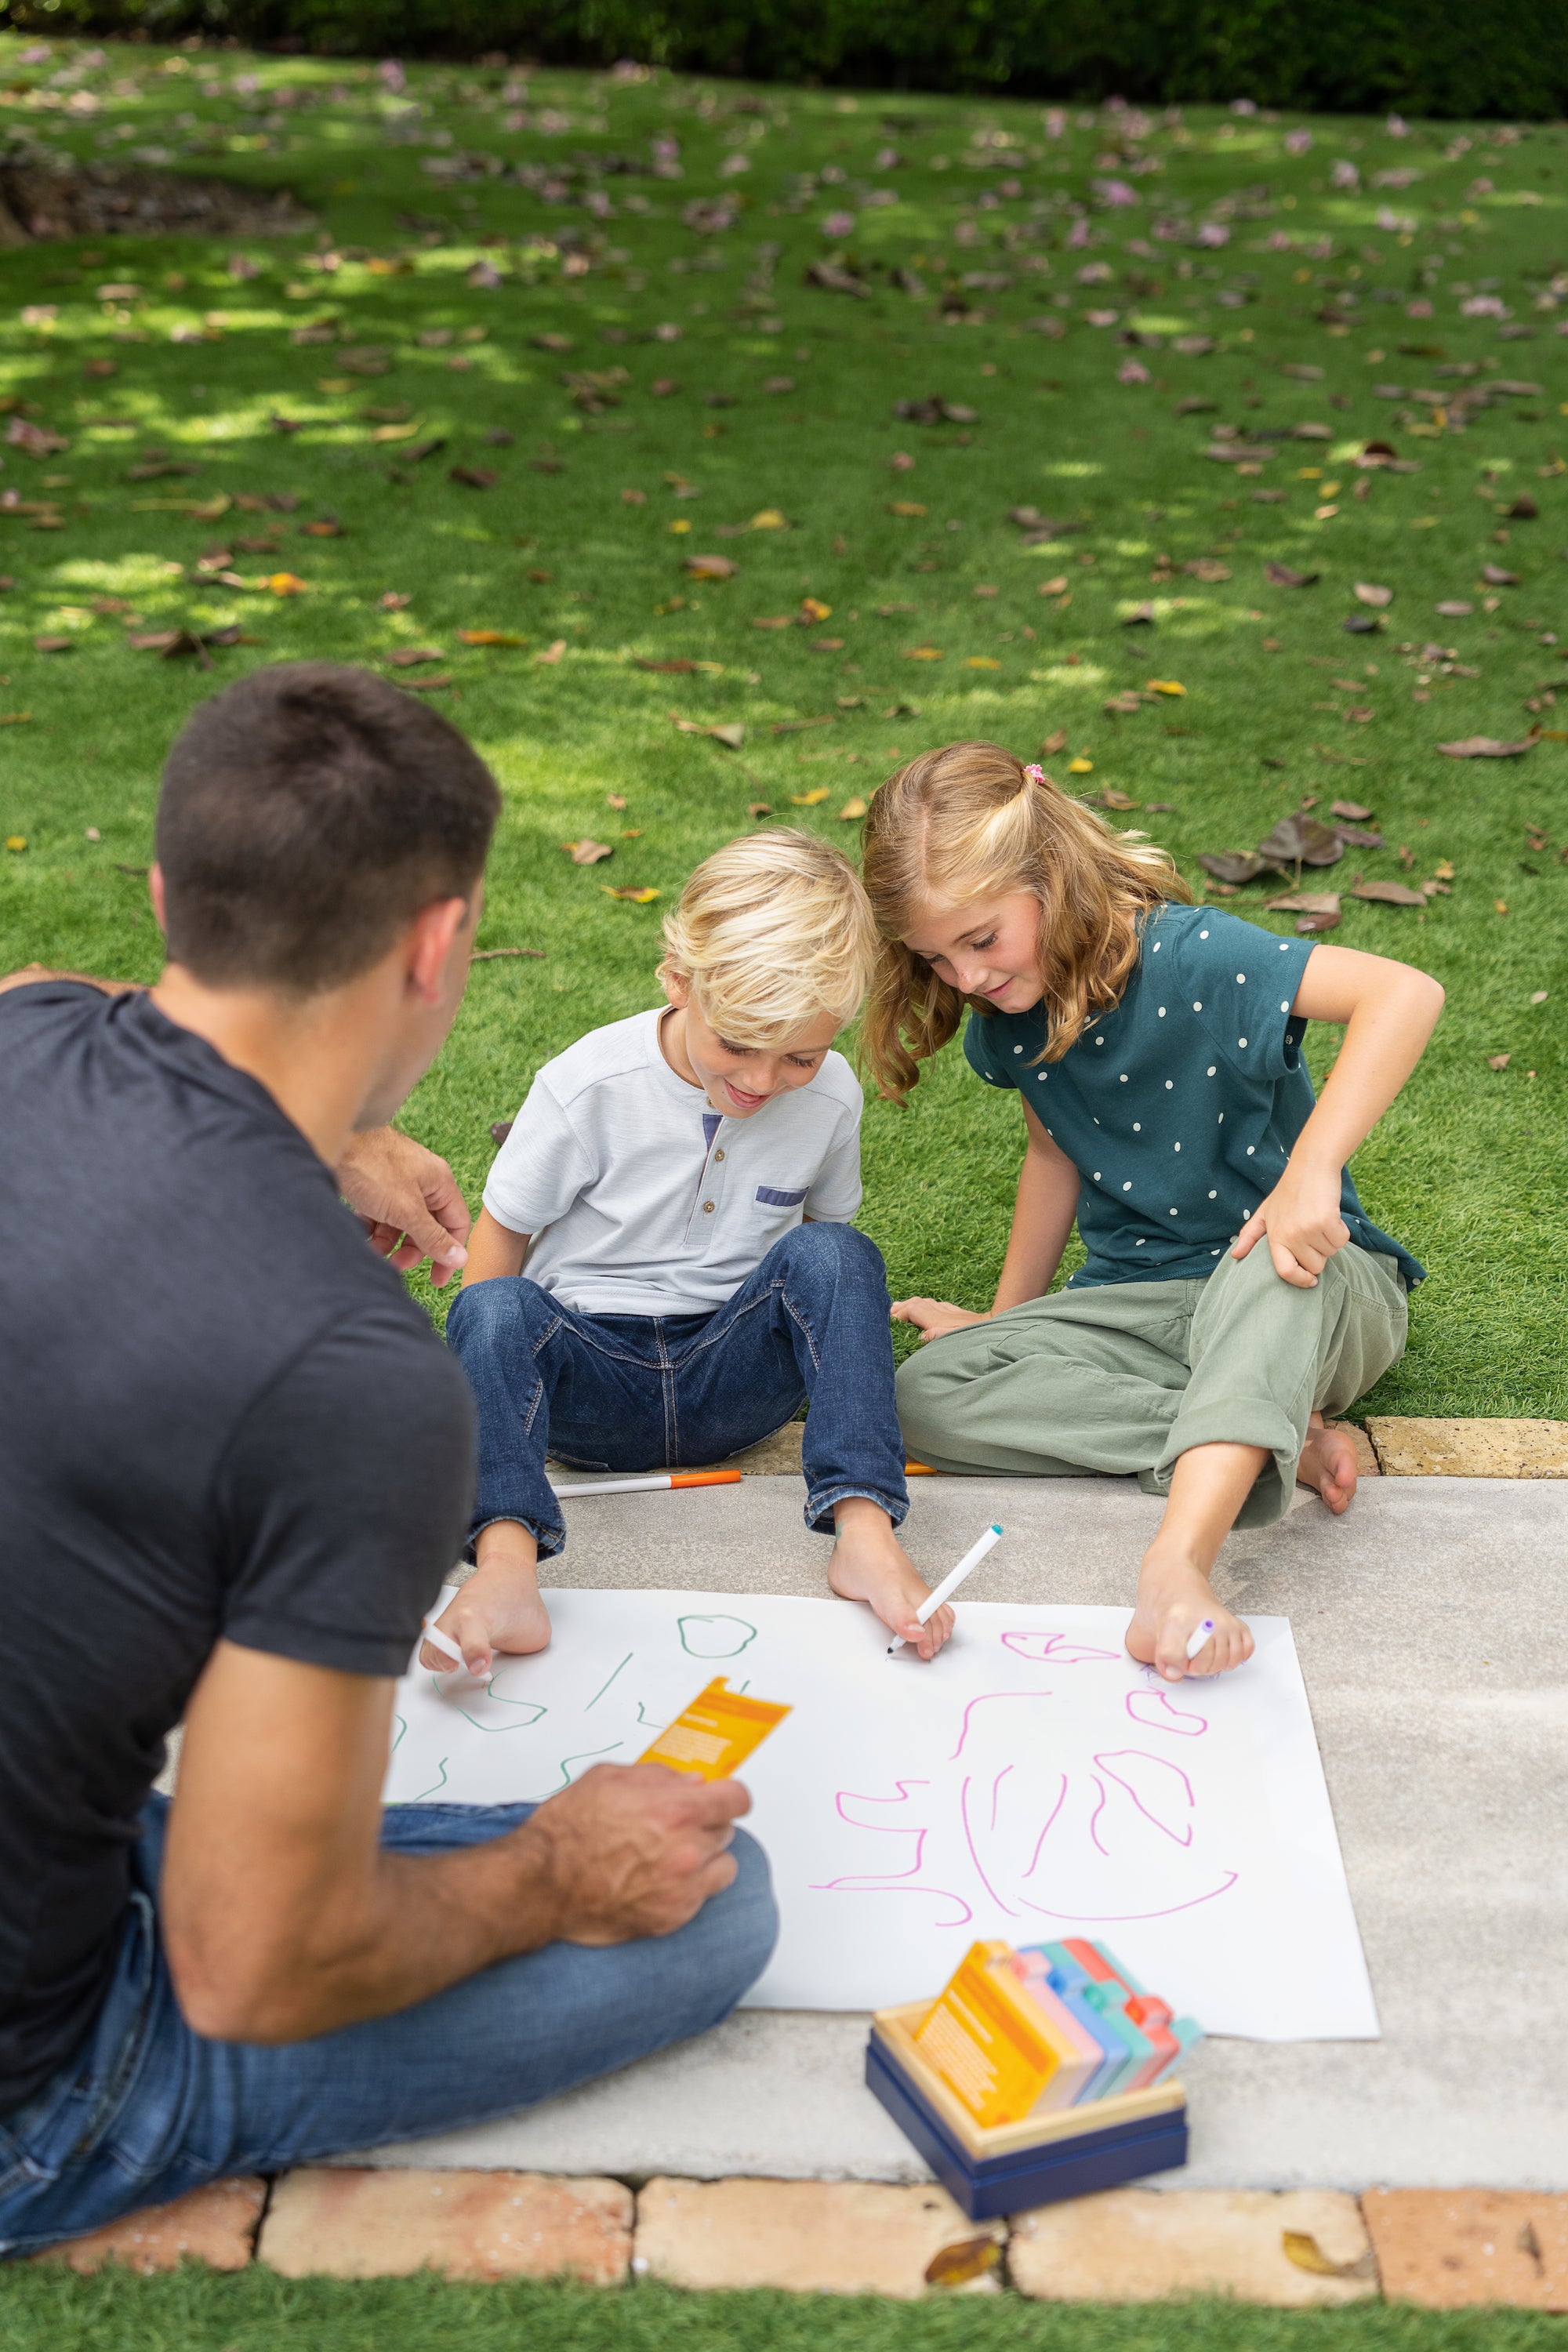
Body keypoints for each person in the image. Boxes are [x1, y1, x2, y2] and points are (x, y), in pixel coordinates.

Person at [0, 663, 776, 2258]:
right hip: (38, 2081)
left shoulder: (24, 1043)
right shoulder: (349, 1375)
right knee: (725, 1898)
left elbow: (45, 989)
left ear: (170, 895)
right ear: (438, 946)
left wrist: (317, 1132)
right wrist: (552, 1875)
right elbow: (249, 1968)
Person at [858, 742, 1443, 1684]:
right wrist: (1007, 1322)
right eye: (935, 957)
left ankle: (1176, 1564)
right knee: (925, 1395)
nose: (963, 978)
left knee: (1266, 1266)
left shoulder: (1195, 953)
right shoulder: (1012, 1010)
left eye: (980, 940)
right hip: (1146, 1305)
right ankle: (1266, 1432)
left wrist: (1310, 1173)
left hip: (1304, 1281)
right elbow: (1052, 1150)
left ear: (1048, 877)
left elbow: (1403, 993)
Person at [430, 830, 956, 1679]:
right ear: (678, 983)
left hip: (730, 1382)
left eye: (800, 1054)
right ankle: (504, 1566)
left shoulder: (827, 1099)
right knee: (491, 1307)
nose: (761, 1079)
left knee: (838, 1254)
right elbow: (502, 1239)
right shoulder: (587, 1083)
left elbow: (819, 1264)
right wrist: (488, 1418)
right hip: (586, 1385)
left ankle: (861, 1530)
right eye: (738, 1044)